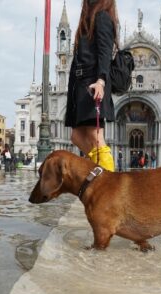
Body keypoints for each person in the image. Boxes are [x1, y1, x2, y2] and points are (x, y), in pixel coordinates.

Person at [65, 0, 119, 171]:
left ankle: (109, 183)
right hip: (80, 86)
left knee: (96, 137)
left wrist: (101, 81)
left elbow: (105, 52)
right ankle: (100, 168)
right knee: (76, 136)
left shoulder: (102, 17)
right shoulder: (88, 20)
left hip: (92, 84)